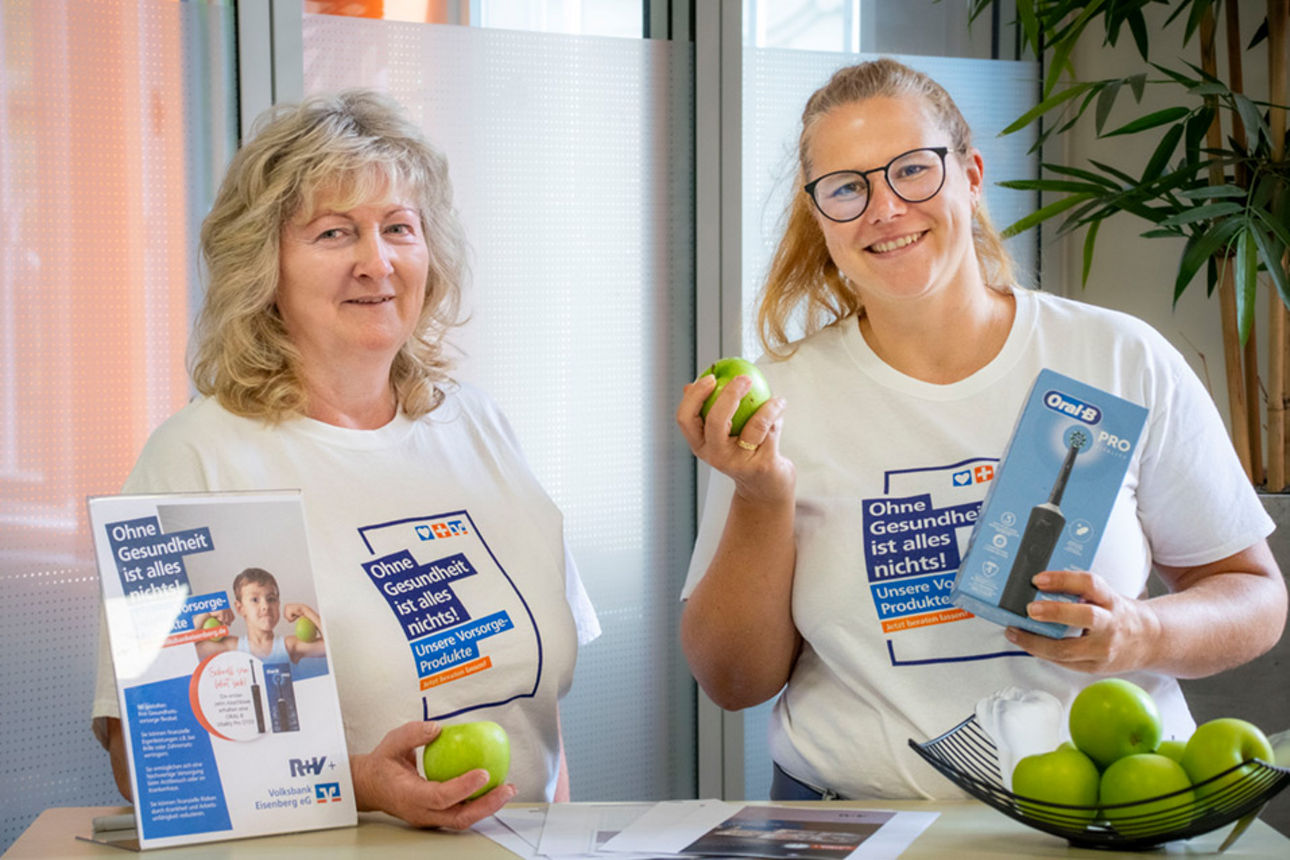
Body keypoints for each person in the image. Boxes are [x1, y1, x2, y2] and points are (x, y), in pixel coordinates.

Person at [675, 58, 1287, 801]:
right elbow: (733, 681)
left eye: (912, 170)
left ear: (969, 176)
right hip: (851, 827)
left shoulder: (1117, 357)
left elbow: (1253, 596)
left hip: (1105, 815)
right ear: (820, 215)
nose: (884, 207)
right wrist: (761, 497)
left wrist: (1140, 633)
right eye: (846, 188)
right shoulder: (781, 403)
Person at [92, 89, 600, 828]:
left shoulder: (480, 426)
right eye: (335, 234)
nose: (377, 261)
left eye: (400, 227)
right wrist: (355, 781)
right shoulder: (196, 460)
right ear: (264, 267)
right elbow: (149, 762)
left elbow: (534, 714)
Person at [192, 567, 325, 664]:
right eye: (255, 600)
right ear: (240, 608)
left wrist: (305, 610)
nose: (265, 606)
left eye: (271, 599)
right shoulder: (231, 648)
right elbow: (184, 653)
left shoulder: (290, 646)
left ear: (278, 603)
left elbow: (330, 647)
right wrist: (206, 613)